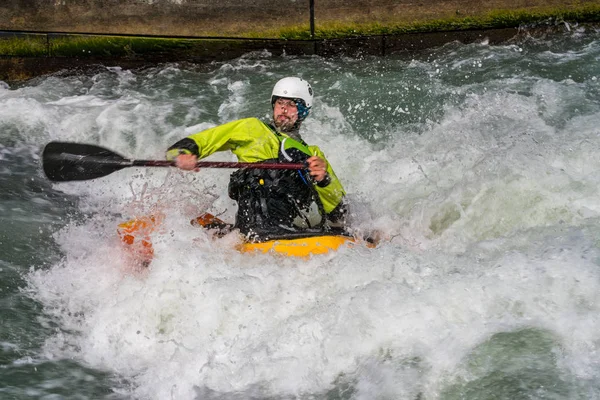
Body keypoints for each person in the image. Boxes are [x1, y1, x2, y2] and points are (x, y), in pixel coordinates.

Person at [165, 77, 347, 241]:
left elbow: (339, 212)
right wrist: (182, 154)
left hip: (295, 231)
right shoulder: (251, 128)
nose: (283, 108)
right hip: (252, 230)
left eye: (292, 104)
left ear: (303, 111)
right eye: (279, 103)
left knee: (295, 166)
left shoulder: (314, 154)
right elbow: (203, 140)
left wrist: (324, 180)